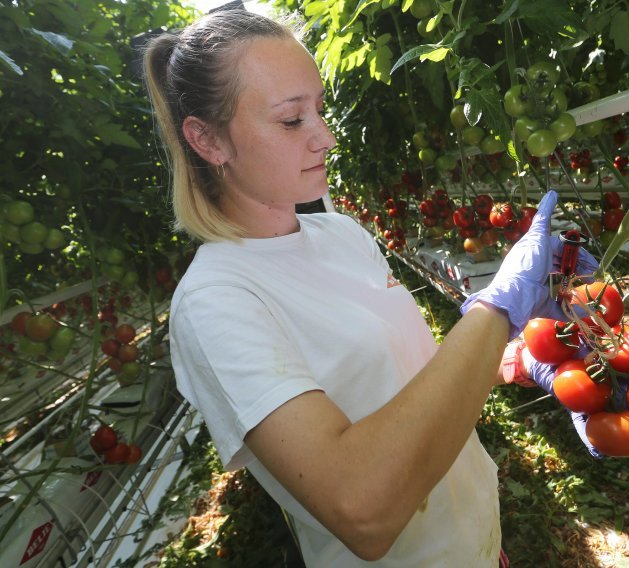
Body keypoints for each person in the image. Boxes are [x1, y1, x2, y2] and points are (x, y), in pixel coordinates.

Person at [143, 8, 598, 567]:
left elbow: (403, 381)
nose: (325, 139)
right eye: (292, 121)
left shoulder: (337, 232)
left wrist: (524, 358)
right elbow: (362, 506)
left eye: (319, 111)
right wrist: (495, 310)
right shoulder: (217, 302)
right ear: (208, 140)